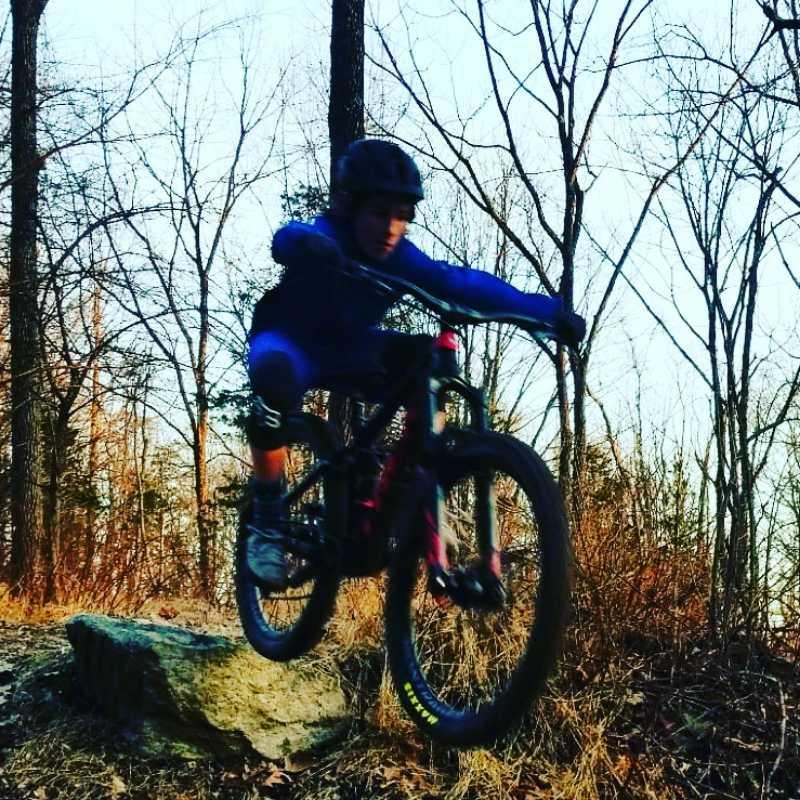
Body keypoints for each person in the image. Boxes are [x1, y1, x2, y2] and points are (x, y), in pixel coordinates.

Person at [245, 139, 585, 589]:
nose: (391, 227)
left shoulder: (401, 258)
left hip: (352, 348)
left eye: (402, 215)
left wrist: (547, 312)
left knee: (425, 359)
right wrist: (306, 245)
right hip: (290, 342)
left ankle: (410, 488)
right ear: (350, 207)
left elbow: (460, 283)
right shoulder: (326, 237)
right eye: (379, 212)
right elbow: (288, 237)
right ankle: (267, 521)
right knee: (276, 384)